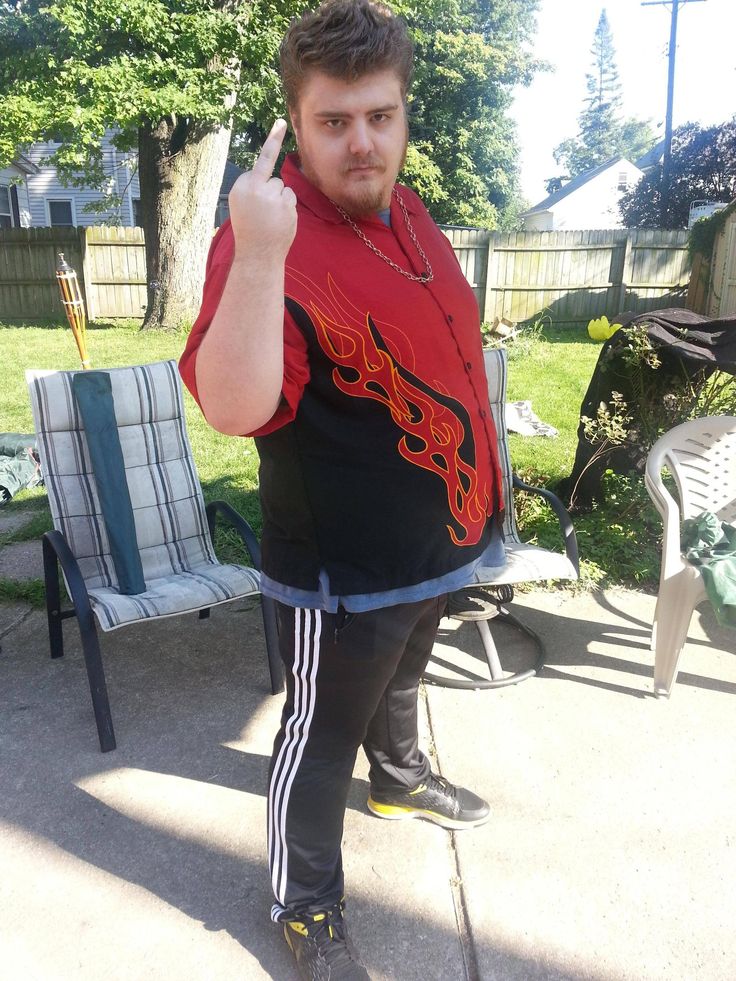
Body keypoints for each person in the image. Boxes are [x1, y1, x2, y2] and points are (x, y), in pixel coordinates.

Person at [179, 2, 506, 977]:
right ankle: (302, 899)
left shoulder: (407, 217)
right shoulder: (266, 237)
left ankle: (401, 778)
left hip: (432, 542)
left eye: (379, 115)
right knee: (319, 739)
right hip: (338, 568)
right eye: (334, 121)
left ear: (403, 115)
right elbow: (233, 408)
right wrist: (265, 250)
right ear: (297, 122)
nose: (361, 142)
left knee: (402, 682)